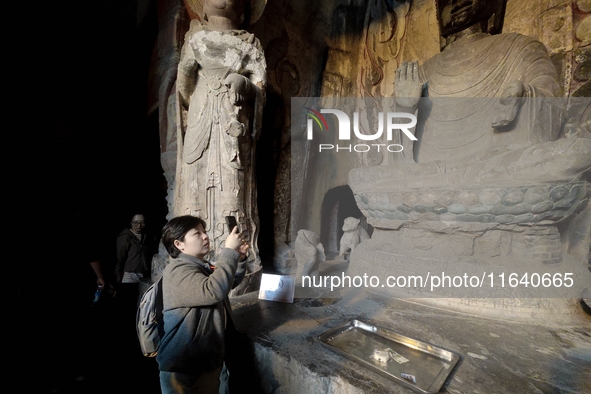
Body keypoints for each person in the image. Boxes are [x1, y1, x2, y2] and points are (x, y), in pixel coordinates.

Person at [175, 0, 267, 273]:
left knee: (233, 183)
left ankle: (237, 254)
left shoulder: (250, 43)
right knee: (195, 183)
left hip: (233, 124)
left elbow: (261, 86)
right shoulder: (196, 39)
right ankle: (192, 254)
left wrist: (245, 84)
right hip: (201, 117)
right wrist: (199, 102)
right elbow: (184, 84)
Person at [157, 215, 248, 394]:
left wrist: (239, 259)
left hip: (204, 360)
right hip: (183, 366)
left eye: (204, 231)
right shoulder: (178, 270)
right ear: (179, 244)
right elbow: (214, 290)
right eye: (196, 233)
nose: (205, 236)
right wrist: (228, 251)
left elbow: (225, 283)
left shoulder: (200, 266)